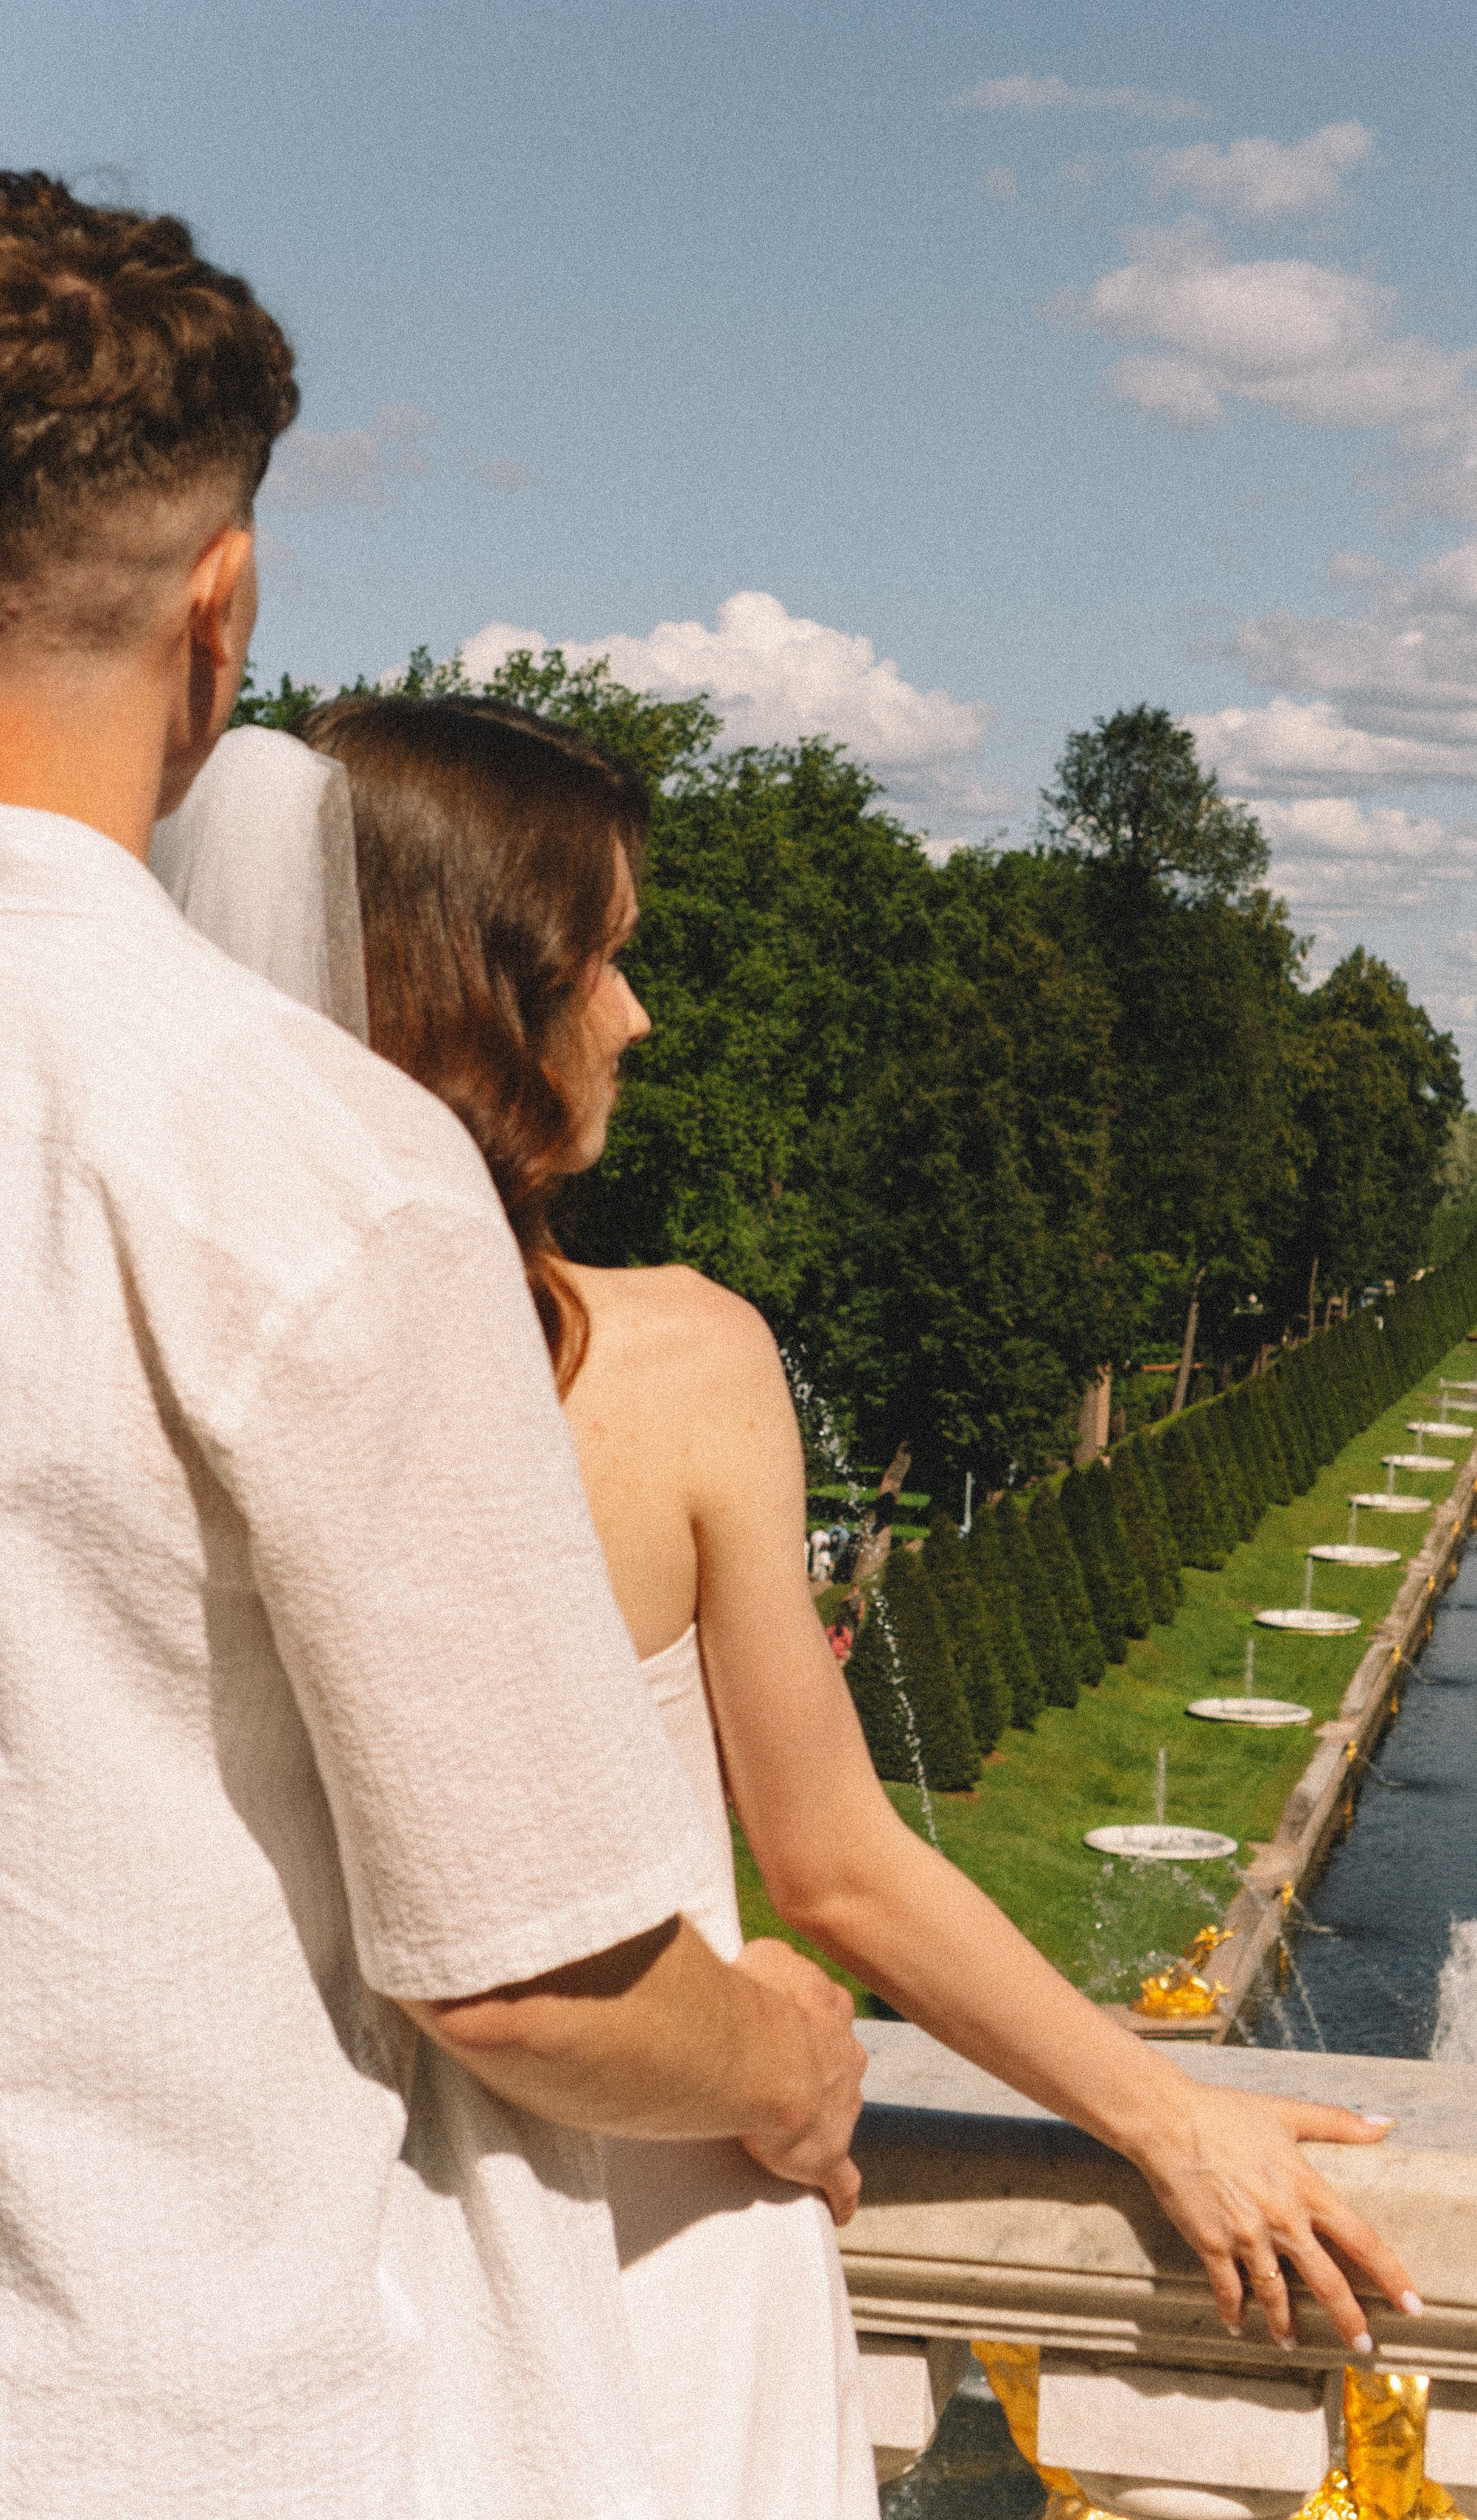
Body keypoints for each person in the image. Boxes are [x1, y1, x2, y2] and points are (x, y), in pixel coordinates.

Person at [294, 690, 1423, 2519]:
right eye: (602, 961)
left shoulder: (182, 1364)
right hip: (657, 2238)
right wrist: (1160, 2113)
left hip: (314, 2271)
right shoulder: (676, 1357)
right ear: (481, 993)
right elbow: (830, 1866)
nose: (638, 1015)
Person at [0, 173, 864, 2520]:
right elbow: (531, 1981)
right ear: (219, 604)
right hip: (178, 2427)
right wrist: (783, 2055)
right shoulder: (303, 1165)